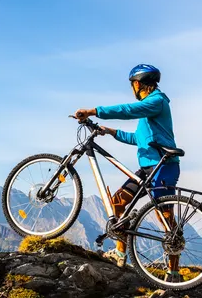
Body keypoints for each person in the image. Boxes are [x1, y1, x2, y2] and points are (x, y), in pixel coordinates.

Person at [74, 64, 181, 282]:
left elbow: (128, 110)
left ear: (138, 83)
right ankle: (121, 253)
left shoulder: (156, 101)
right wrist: (112, 132)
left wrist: (94, 111)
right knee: (118, 203)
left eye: (132, 83)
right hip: (147, 167)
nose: (132, 87)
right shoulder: (150, 108)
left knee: (165, 217)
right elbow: (138, 139)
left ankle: (174, 272)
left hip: (163, 165)